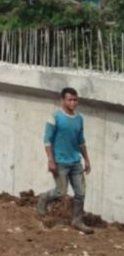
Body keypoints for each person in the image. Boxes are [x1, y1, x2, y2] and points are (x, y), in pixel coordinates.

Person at [37, 87, 94, 234]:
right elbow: (47, 140)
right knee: (60, 191)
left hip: (75, 161)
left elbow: (81, 141)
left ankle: (77, 221)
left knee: (81, 192)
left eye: (75, 100)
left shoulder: (79, 119)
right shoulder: (54, 117)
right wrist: (50, 160)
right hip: (60, 161)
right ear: (62, 100)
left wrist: (86, 160)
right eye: (70, 99)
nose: (73, 102)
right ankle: (43, 198)